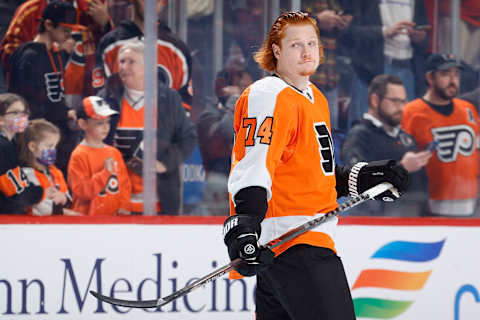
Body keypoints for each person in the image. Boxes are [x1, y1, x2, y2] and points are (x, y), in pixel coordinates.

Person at [222, 11, 409, 320]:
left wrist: (368, 177)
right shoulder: (268, 94)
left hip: (302, 240)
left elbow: (316, 173)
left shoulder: (314, 97)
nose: (307, 51)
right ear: (277, 51)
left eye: (312, 43)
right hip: (292, 240)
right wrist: (244, 227)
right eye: (296, 45)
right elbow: (252, 164)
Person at [99, 40, 197, 215]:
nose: (124, 67)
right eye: (121, 61)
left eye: (131, 62)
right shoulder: (107, 98)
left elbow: (188, 138)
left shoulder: (168, 98)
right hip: (116, 202)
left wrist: (166, 164)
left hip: (159, 204)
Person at [7, 1, 81, 175]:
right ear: (48, 25)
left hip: (54, 132)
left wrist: (67, 111)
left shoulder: (55, 54)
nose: (68, 35)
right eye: (65, 30)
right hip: (35, 136)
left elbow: (56, 96)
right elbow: (26, 103)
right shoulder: (29, 56)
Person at [402, 53, 480, 217]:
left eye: (456, 75)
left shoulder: (468, 108)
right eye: (445, 74)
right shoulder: (411, 112)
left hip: (472, 203)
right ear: (430, 78)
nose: (453, 81)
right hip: (430, 205)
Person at [341, 74, 431, 216]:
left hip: (413, 218)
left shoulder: (405, 138)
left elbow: (420, 188)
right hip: (373, 224)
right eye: (395, 101)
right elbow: (357, 179)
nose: (401, 108)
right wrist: (401, 168)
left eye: (403, 102)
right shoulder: (359, 135)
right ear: (375, 100)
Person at [341, 0, 430, 128]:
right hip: (370, 71)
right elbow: (348, 32)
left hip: (408, 69)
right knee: (363, 129)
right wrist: (384, 32)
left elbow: (424, 41)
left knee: (403, 129)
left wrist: (420, 38)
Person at [94, 0, 193, 110]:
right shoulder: (109, 44)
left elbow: (184, 101)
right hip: (120, 124)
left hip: (162, 126)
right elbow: (98, 98)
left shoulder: (177, 48)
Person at [68, 96, 131, 216]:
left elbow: (124, 185)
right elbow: (82, 191)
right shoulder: (79, 155)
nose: (106, 127)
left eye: (107, 122)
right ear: (82, 124)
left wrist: (124, 206)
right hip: (88, 221)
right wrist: (105, 173)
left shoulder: (114, 153)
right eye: (99, 123)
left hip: (113, 219)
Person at [17, 118, 78, 215]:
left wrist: (63, 198)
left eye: (55, 146)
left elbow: (68, 199)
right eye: (49, 146)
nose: (53, 150)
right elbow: (42, 209)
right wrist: (64, 211)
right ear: (32, 146)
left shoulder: (56, 172)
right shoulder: (26, 174)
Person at [0, 93, 43, 214]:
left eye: (24, 112)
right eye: (15, 113)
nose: (22, 117)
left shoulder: (11, 143)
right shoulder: (3, 146)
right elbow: (15, 195)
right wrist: (42, 192)